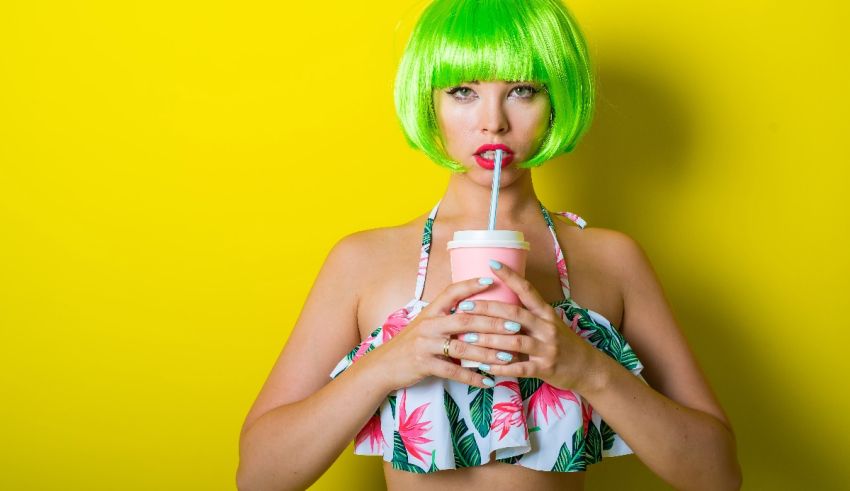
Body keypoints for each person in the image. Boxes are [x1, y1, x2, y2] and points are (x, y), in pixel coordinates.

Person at [237, 0, 743, 489]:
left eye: (522, 90)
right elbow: (258, 476)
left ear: (558, 99)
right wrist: (389, 363)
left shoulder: (612, 260)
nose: (493, 121)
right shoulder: (363, 262)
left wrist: (586, 368)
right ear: (429, 102)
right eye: (462, 91)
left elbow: (718, 475)